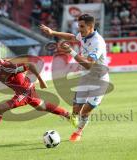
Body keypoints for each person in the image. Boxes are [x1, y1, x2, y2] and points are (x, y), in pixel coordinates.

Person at [0, 55, 77, 140]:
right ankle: (68, 115)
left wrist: (41, 80)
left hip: (25, 90)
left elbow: (30, 65)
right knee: (41, 107)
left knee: (0, 108)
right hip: (21, 91)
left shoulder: (8, 67)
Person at [40, 14, 110, 142]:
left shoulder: (97, 42)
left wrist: (71, 52)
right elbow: (72, 37)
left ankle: (78, 132)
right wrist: (52, 32)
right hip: (86, 77)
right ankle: (76, 120)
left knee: (85, 111)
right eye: (78, 26)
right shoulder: (84, 35)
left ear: (91, 26)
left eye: (82, 26)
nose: (79, 29)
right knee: (75, 111)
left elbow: (88, 65)